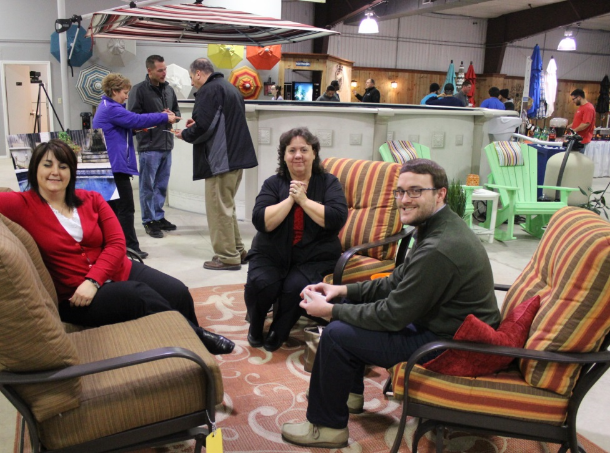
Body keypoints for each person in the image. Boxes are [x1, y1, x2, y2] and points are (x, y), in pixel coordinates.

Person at [0, 140, 236, 355]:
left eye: (63, 166)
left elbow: (118, 242)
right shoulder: (21, 204)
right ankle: (196, 339)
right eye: (47, 165)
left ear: (72, 171)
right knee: (140, 296)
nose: (55, 172)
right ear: (35, 170)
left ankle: (196, 357)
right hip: (76, 298)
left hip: (116, 272)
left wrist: (95, 279)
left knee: (178, 291)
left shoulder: (91, 199)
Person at [280, 158, 500, 448]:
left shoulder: (439, 248)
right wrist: (341, 292)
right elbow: (396, 281)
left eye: (415, 191)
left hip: (449, 343)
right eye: (399, 192)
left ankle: (326, 427)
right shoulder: (436, 227)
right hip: (441, 325)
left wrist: (330, 311)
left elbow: (392, 315)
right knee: (347, 319)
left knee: (336, 334)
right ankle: (347, 394)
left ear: (440, 194)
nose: (404, 200)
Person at [245, 128, 348, 352]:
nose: (298, 155)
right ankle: (255, 325)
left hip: (314, 255)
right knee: (262, 283)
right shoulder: (273, 183)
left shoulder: (329, 182)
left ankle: (279, 331)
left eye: (304, 149)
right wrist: (291, 200)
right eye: (292, 150)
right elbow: (261, 221)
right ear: (284, 156)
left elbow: (335, 219)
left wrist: (303, 199)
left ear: (314, 154)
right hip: (271, 252)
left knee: (294, 288)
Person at [175, 58, 258, 270]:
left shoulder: (208, 91)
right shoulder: (229, 88)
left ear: (200, 74)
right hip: (235, 158)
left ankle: (227, 257)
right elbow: (219, 121)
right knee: (227, 207)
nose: (192, 82)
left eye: (192, 77)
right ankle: (238, 250)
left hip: (220, 159)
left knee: (218, 209)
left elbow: (204, 127)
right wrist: (197, 125)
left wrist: (185, 133)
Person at [93, 73, 178, 259]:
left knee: (114, 211)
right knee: (126, 210)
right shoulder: (112, 108)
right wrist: (163, 117)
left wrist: (133, 129)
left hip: (112, 166)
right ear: (114, 91)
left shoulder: (109, 106)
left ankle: (115, 247)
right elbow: (136, 119)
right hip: (115, 167)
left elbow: (125, 127)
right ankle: (130, 247)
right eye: (124, 92)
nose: (126, 96)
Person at [128, 55, 181, 240]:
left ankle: (158, 217)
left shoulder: (169, 90)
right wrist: (159, 116)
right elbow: (133, 118)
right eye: (160, 70)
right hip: (149, 146)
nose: (164, 73)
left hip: (167, 143)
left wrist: (173, 115)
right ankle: (148, 220)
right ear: (149, 70)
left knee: (161, 185)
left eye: (164, 69)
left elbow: (178, 112)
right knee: (147, 186)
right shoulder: (139, 90)